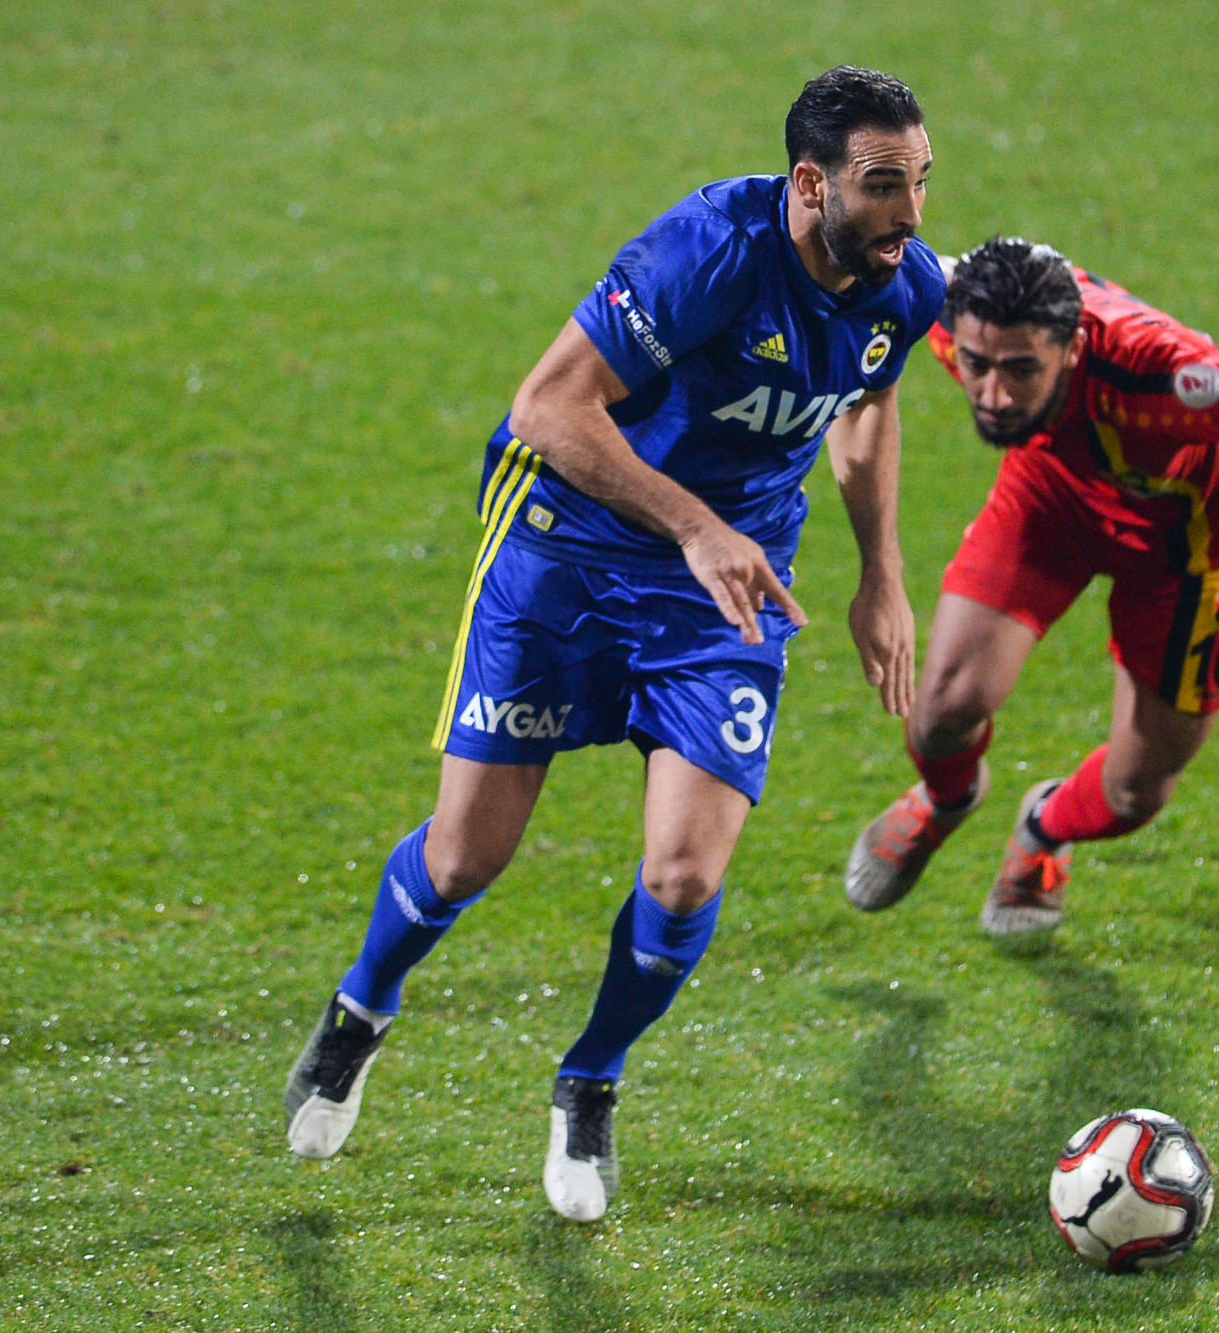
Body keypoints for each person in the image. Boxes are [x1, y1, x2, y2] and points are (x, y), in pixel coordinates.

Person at [285, 66, 944, 1223]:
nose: (910, 212)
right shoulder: (708, 251)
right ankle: (361, 1007)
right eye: (883, 184)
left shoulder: (903, 288)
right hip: (566, 554)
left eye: (921, 181)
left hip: (724, 594)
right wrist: (694, 526)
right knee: (464, 859)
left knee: (685, 875)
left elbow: (867, 405)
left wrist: (880, 576)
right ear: (809, 182)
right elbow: (547, 406)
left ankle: (588, 1081)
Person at [844, 238, 1219, 934]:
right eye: (975, 365)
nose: (993, 394)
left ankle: (1043, 824)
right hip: (1052, 493)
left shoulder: (1163, 373)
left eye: (1020, 370)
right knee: (941, 707)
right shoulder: (946, 304)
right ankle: (947, 798)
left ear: (1072, 348)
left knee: (1136, 788)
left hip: (1190, 542)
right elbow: (850, 254)